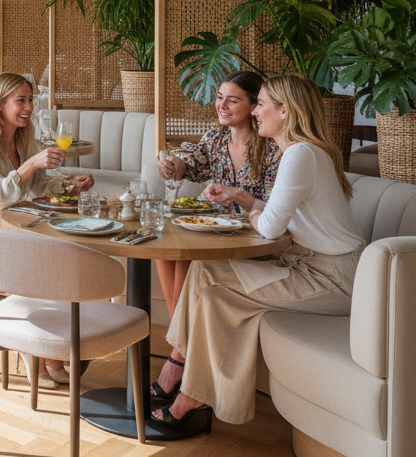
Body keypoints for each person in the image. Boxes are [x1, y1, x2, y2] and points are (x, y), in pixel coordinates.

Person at [151, 74, 364, 427]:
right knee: (204, 268)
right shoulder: (300, 152)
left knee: (218, 297)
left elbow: (269, 226)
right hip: (305, 264)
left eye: (261, 104)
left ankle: (192, 394)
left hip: (333, 278)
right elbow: (275, 212)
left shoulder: (299, 155)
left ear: (285, 111)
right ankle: (178, 367)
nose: (255, 113)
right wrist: (244, 199)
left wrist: (252, 210)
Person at [0, 71, 94, 387]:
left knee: (64, 256)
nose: (29, 107)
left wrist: (68, 183)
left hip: (20, 228)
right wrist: (32, 163)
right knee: (44, 263)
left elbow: (34, 186)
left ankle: (50, 351)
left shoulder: (22, 137)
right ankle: (33, 352)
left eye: (30, 100)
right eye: (21, 100)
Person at [152, 71, 281, 324]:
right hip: (214, 229)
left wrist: (238, 196)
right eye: (220, 97)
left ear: (254, 106)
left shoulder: (271, 147)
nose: (221, 106)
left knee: (186, 257)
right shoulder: (215, 139)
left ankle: (180, 343)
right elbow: (189, 166)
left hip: (251, 235)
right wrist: (172, 164)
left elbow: (273, 208)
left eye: (232, 100)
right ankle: (179, 335)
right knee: (165, 251)